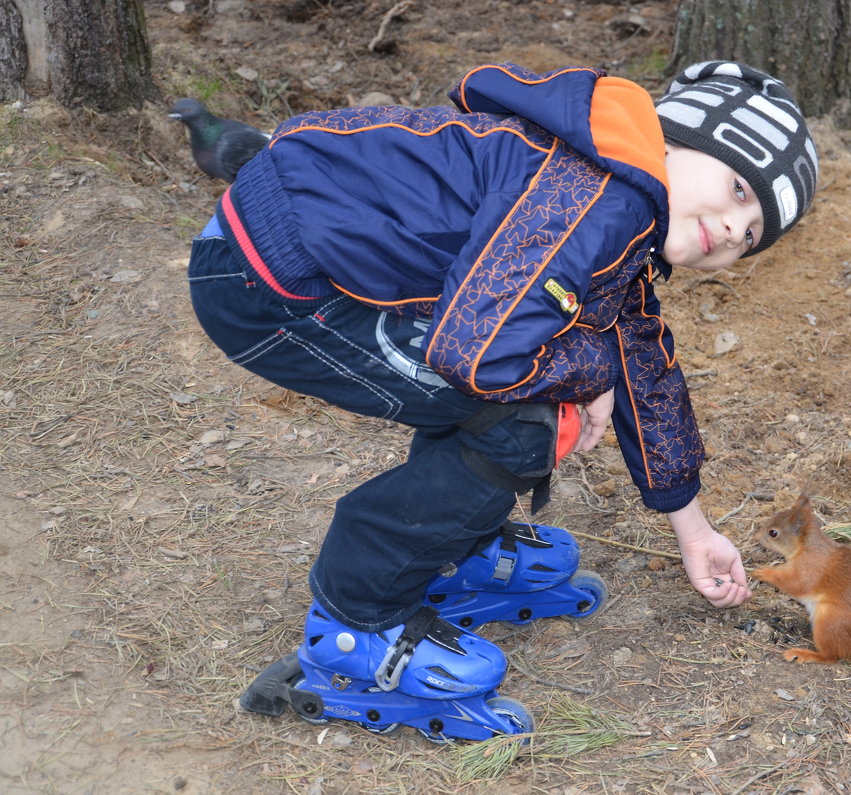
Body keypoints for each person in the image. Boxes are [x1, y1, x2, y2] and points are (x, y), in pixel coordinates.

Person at [187, 60, 817, 741]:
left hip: (295, 259)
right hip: (272, 284)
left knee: (548, 377)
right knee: (532, 419)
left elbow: (643, 368)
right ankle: (357, 623)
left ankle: (458, 547)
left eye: (752, 235)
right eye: (736, 190)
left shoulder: (617, 198)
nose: (732, 229)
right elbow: (481, 355)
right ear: (677, 137)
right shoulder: (595, 195)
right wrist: (589, 372)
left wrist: (694, 529)